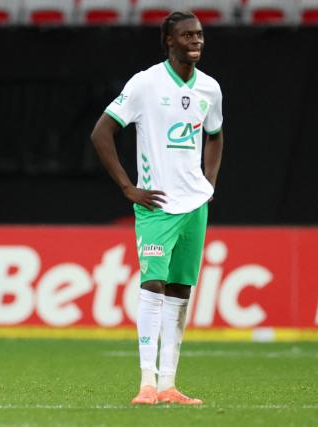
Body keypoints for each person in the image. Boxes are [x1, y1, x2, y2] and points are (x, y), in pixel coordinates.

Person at [91, 12, 223, 405]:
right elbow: (102, 132)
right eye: (187, 36)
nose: (195, 41)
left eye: (199, 35)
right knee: (154, 284)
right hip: (158, 205)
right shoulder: (146, 83)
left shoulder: (210, 89)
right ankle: (146, 383)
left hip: (194, 204)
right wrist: (129, 188)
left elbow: (215, 136)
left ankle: (168, 385)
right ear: (169, 40)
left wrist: (208, 183)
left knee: (181, 290)